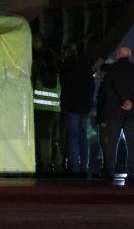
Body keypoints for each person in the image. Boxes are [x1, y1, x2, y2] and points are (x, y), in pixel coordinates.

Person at [97, 45, 134, 186]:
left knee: (111, 144)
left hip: (112, 113)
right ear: (129, 55)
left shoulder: (111, 71)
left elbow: (104, 92)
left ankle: (109, 173)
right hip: (131, 113)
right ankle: (130, 175)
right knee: (131, 144)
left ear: (118, 54)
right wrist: (132, 102)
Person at [58, 43, 95, 177]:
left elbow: (63, 85)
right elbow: (92, 86)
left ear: (66, 54)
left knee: (72, 136)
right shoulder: (86, 66)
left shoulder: (66, 67)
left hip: (71, 106)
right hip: (85, 106)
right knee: (83, 135)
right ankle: (84, 166)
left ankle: (74, 168)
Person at [31, 34, 62, 175]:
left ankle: (45, 165)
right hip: (56, 110)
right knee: (56, 139)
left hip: (42, 111)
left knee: (44, 139)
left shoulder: (38, 74)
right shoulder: (56, 73)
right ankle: (59, 164)